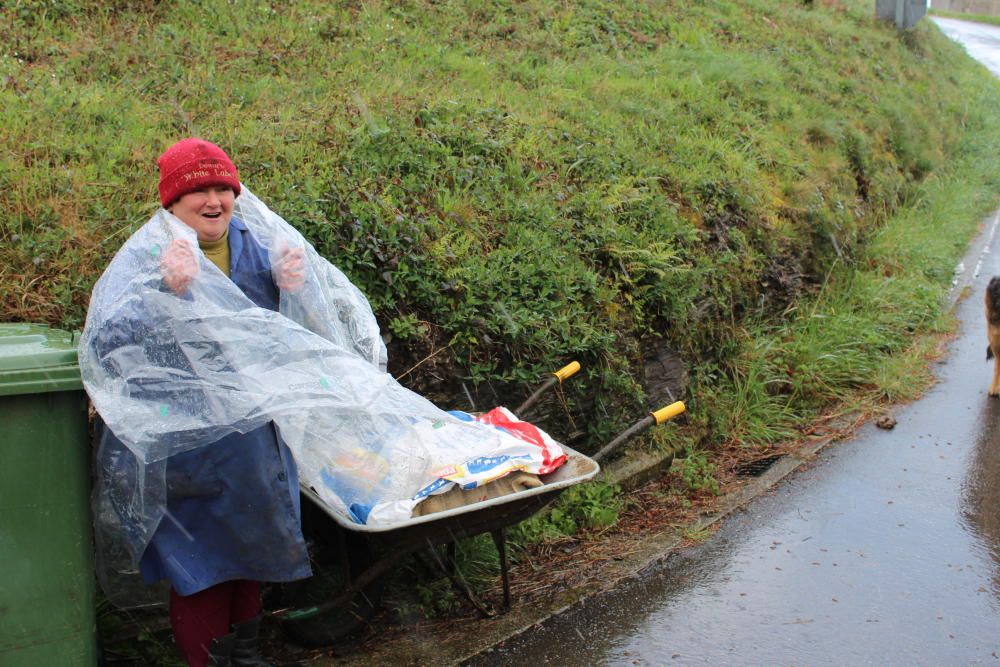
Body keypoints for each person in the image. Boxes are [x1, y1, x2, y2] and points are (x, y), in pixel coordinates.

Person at [92, 138, 311, 667]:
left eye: (222, 188)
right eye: (198, 191)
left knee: (255, 549)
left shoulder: (255, 242)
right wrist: (165, 290)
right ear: (172, 201)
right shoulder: (147, 254)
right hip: (183, 442)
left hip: (251, 437)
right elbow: (105, 341)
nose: (213, 201)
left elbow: (277, 334)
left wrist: (291, 289)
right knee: (201, 563)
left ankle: (248, 657)